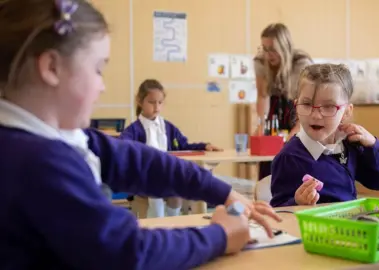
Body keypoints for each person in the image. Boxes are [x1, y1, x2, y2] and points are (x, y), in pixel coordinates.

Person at [0, 1, 281, 269]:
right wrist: (220, 236)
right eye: (98, 69)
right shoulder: (39, 162)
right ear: (51, 67)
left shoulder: (53, 138)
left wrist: (223, 192)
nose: (102, 86)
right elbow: (127, 252)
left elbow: (140, 162)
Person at [270, 64, 379, 207]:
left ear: (346, 112)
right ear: (296, 106)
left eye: (328, 107)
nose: (315, 115)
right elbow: (279, 211)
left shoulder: (349, 144)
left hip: (348, 225)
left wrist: (373, 145)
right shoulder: (288, 158)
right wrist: (296, 202)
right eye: (307, 104)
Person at [120, 78, 222, 218]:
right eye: (151, 102)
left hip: (166, 173)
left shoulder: (168, 127)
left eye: (160, 103)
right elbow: (123, 146)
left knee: (177, 190)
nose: (156, 107)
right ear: (140, 101)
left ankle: (172, 222)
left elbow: (184, 146)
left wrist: (204, 146)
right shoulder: (134, 130)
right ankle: (158, 221)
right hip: (145, 177)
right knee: (155, 190)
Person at [253, 23, 313, 180]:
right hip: (275, 109)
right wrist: (261, 127)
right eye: (264, 49)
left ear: (284, 47)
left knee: (293, 159)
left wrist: (296, 130)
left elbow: (306, 102)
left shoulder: (301, 63)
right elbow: (262, 96)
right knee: (269, 165)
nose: (268, 55)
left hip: (297, 109)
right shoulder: (260, 62)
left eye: (272, 49)